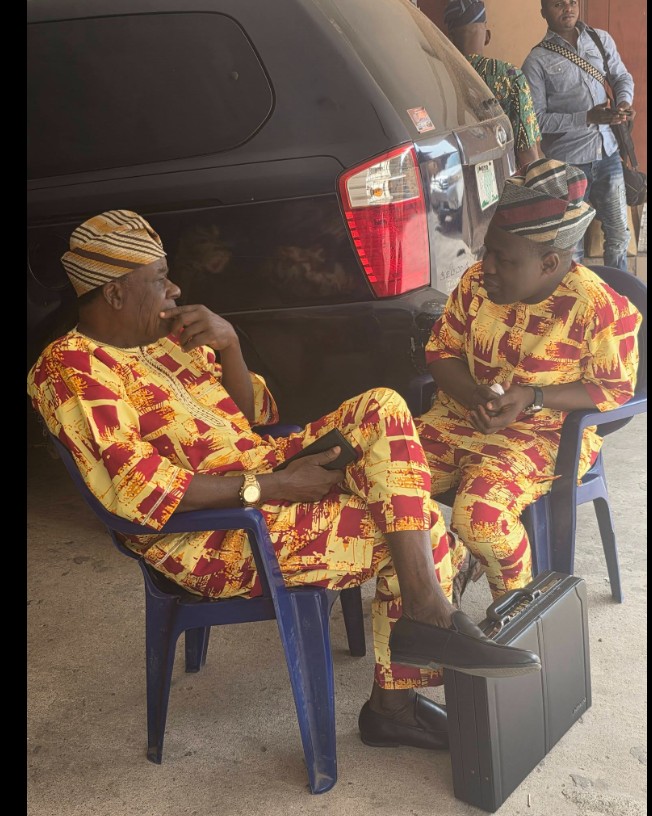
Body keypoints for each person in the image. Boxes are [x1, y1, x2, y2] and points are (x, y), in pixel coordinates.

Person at [27, 210, 541, 753]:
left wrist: (229, 346)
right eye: (158, 277)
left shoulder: (164, 338)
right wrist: (272, 488)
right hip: (209, 533)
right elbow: (141, 490)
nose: (174, 287)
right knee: (427, 526)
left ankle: (421, 619)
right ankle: (398, 695)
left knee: (384, 406)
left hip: (261, 469)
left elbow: (251, 419)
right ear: (113, 294)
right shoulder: (70, 369)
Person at [415, 158, 641, 600]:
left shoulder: (599, 309)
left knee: (479, 517)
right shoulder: (477, 284)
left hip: (544, 438)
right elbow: (440, 351)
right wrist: (473, 394)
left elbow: (613, 389)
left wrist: (533, 396)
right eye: (487, 252)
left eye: (504, 259)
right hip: (459, 418)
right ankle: (446, 569)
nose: (488, 267)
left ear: (549, 262)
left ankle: (519, 612)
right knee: (384, 475)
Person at [522, 0, 635, 272]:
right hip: (567, 165)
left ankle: (614, 300)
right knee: (572, 246)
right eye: (558, 4)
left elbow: (622, 77)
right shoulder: (536, 60)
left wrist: (623, 102)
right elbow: (536, 120)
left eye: (572, 1)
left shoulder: (600, 40)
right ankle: (580, 302)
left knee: (619, 234)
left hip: (607, 153)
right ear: (543, 12)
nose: (568, 8)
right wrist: (586, 117)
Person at [443, 0, 542, 174]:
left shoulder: (437, 77)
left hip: (456, 180)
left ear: (448, 38)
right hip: (506, 179)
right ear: (488, 36)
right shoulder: (509, 76)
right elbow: (527, 149)